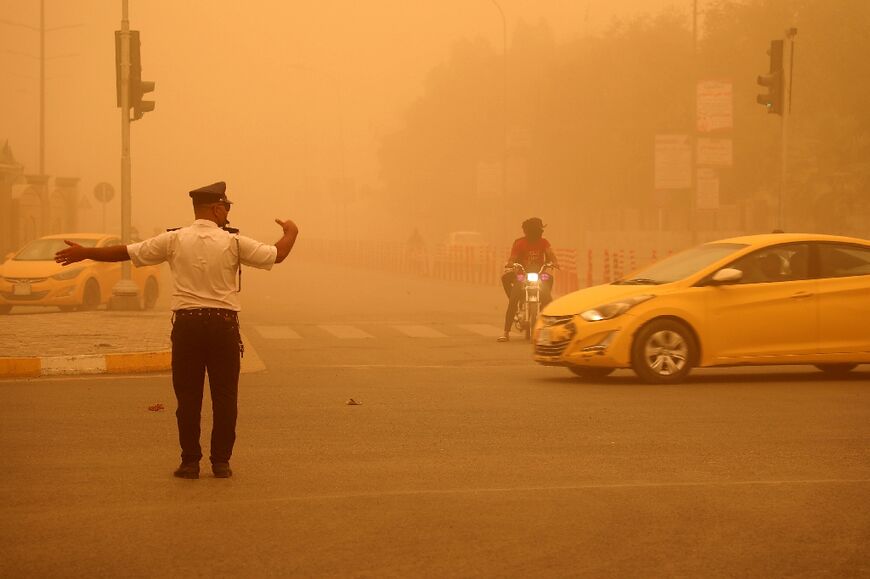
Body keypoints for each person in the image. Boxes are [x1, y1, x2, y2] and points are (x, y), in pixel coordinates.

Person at [54, 181, 299, 480]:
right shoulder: (233, 243)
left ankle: (190, 463)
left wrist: (86, 253)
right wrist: (292, 232)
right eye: (226, 210)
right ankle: (221, 463)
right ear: (217, 208)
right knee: (225, 397)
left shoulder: (173, 240)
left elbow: (128, 253)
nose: (228, 217)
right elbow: (277, 254)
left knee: (188, 397)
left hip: (188, 325)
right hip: (222, 327)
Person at [497, 217, 559, 342]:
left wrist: (554, 263)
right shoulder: (519, 243)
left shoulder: (544, 242)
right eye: (536, 230)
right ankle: (506, 332)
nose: (539, 232)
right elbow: (512, 257)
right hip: (522, 275)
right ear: (528, 231)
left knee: (548, 292)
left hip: (540, 275)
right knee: (513, 299)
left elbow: (550, 253)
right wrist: (510, 264)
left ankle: (549, 328)